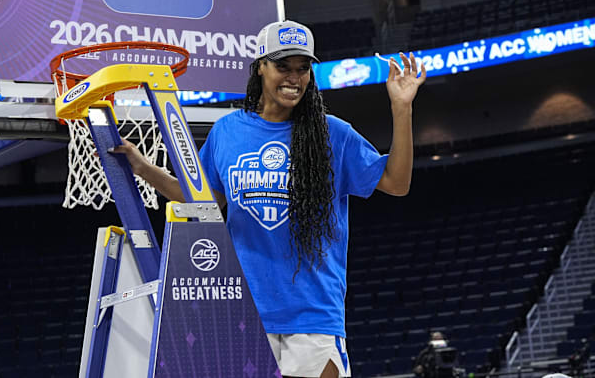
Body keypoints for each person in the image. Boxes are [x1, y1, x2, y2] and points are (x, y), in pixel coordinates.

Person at [110, 20, 426, 378]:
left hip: (313, 318)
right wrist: (143, 168)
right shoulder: (227, 131)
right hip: (242, 313)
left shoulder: (333, 134)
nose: (294, 77)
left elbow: (396, 183)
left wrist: (402, 109)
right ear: (260, 66)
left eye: (303, 68)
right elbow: (203, 201)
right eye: (282, 66)